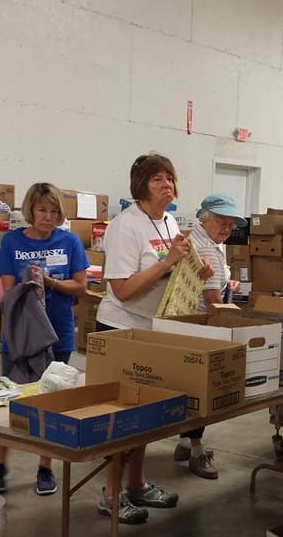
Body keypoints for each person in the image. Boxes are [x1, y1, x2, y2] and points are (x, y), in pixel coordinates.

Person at [94, 153, 211, 524]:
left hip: (152, 329)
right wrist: (169, 261)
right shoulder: (124, 226)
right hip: (121, 329)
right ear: (141, 186)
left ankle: (137, 484)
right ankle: (110, 494)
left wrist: (195, 269)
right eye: (157, 179)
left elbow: (169, 273)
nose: (167, 185)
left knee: (145, 415)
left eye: (170, 178)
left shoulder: (169, 222)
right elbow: (123, 290)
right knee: (121, 417)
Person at [0, 182, 89, 496]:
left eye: (54, 211)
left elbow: (81, 286)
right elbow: (7, 294)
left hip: (58, 334)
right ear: (30, 210)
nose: (48, 217)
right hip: (21, 336)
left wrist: (49, 283)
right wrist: (30, 287)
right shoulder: (12, 242)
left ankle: (45, 466)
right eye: (42, 210)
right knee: (11, 398)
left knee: (52, 402)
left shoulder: (70, 241)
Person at [172, 192, 246, 480]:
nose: (227, 229)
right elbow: (213, 302)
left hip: (189, 325)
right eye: (222, 223)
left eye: (230, 224)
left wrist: (229, 283)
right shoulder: (205, 247)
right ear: (205, 220)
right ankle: (196, 450)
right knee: (202, 390)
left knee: (188, 387)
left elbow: (218, 282)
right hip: (201, 327)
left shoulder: (211, 242)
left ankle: (184, 443)